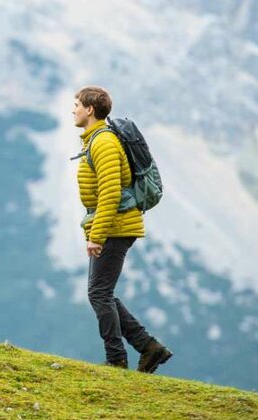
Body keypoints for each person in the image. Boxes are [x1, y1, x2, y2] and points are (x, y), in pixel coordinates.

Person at [73, 85, 172, 372]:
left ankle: (117, 359)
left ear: (90, 109)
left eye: (77, 104)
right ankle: (149, 347)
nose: (73, 109)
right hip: (115, 225)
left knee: (99, 294)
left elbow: (110, 193)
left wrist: (96, 236)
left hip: (115, 226)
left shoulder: (102, 143)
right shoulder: (96, 140)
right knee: (102, 292)